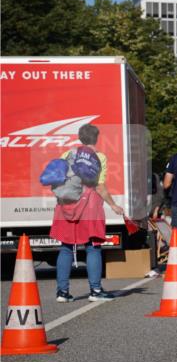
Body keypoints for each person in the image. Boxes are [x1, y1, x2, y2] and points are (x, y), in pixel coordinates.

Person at [51, 123, 124, 302]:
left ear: (80, 137)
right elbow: (99, 186)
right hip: (89, 206)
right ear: (96, 138)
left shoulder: (67, 154)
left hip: (65, 205)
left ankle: (62, 292)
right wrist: (114, 205)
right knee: (93, 247)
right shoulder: (99, 157)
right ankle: (96, 291)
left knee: (66, 247)